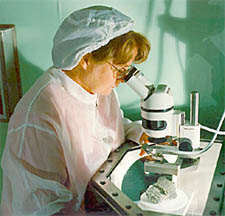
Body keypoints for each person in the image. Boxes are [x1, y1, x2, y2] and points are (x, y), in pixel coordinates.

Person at [0, 5, 150, 215]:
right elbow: (42, 208)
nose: (122, 80)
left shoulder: (99, 90)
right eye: (119, 70)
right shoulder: (41, 114)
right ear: (85, 59)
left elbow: (110, 130)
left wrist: (141, 134)